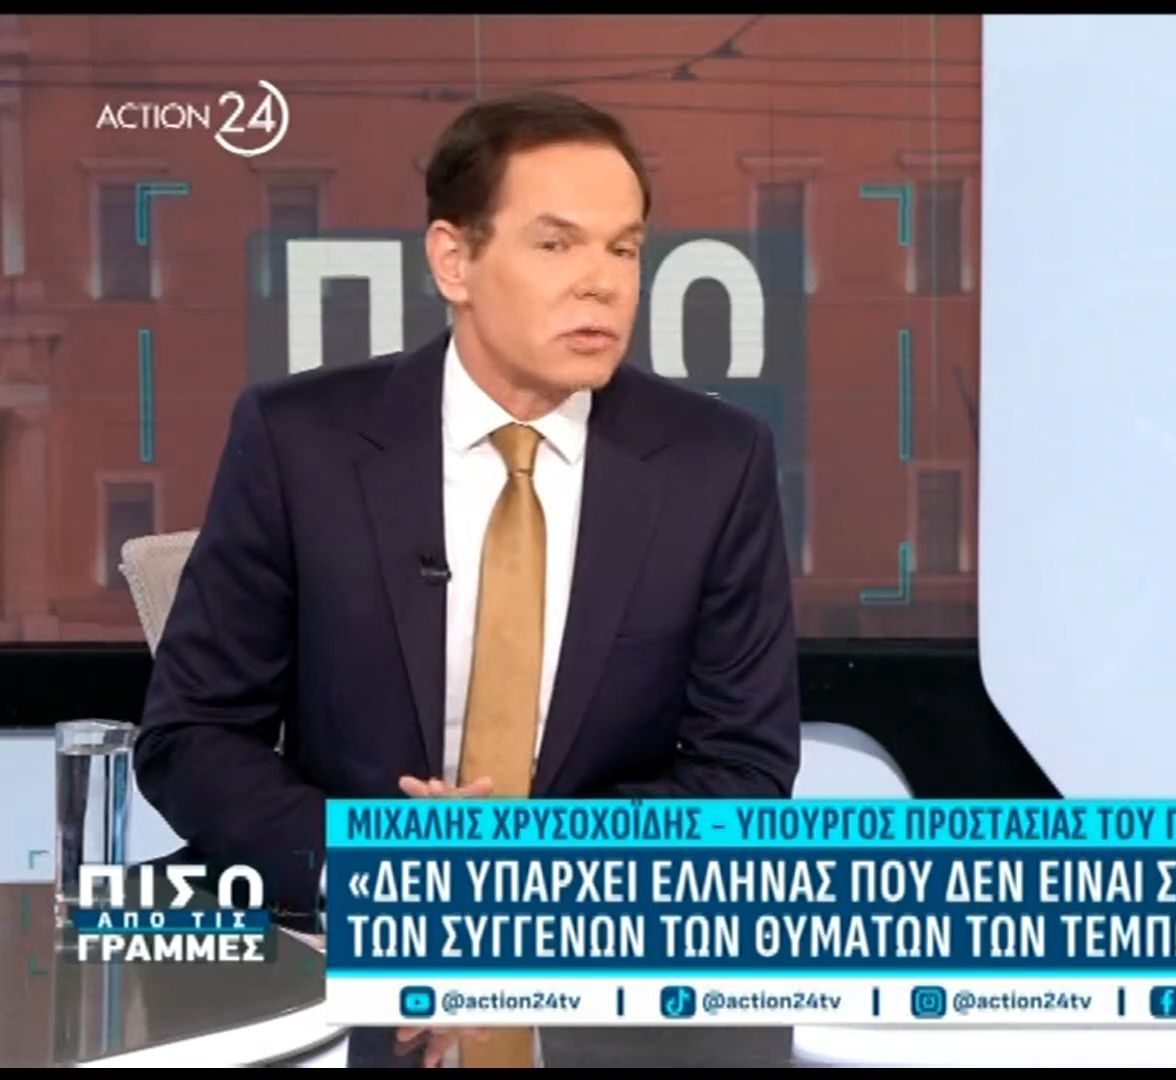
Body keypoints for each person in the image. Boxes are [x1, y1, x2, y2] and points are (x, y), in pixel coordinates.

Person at [134, 91, 802, 914]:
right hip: (338, 924)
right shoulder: (299, 442)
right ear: (454, 262)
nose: (602, 283)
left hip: (590, 927)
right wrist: (375, 865)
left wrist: (530, 864)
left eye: (624, 250)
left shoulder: (716, 463)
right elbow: (192, 737)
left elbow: (744, 771)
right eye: (556, 244)